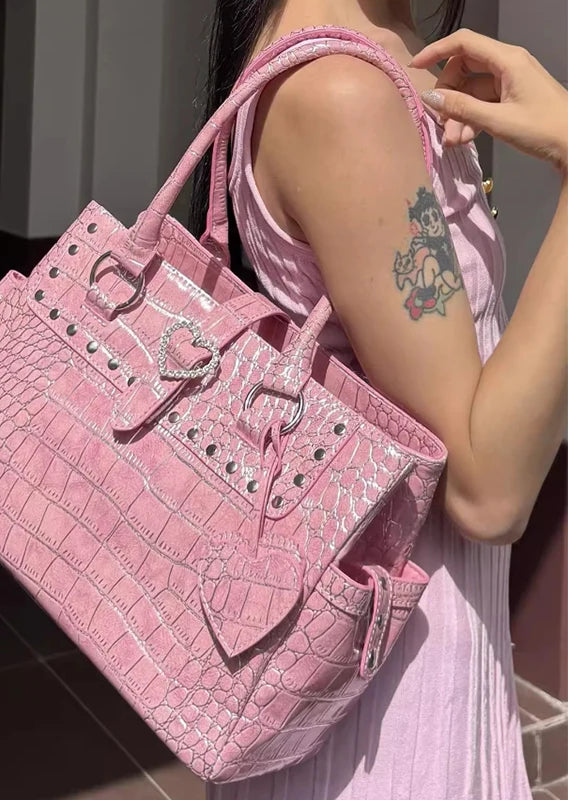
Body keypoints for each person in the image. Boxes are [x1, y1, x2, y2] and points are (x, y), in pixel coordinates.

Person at [189, 2, 568, 799]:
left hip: (402, 654)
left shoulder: (376, 54)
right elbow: (488, 492)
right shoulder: (344, 93)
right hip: (392, 708)